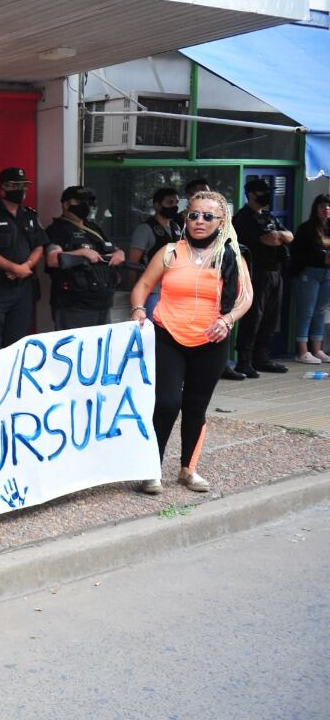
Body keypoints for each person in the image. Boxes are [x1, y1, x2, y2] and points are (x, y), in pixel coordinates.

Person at [130, 191, 252, 495]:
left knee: (196, 406)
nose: (199, 221)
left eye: (208, 216)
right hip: (168, 336)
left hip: (211, 340)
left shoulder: (231, 255)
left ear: (221, 221)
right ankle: (151, 470)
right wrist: (137, 309)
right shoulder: (170, 251)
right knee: (167, 402)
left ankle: (188, 470)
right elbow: (143, 285)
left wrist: (227, 320)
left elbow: (245, 297)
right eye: (194, 215)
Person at [0, 167, 47, 352]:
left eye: (24, 186)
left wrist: (26, 266)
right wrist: (14, 268)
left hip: (23, 289)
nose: (21, 190)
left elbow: (39, 245)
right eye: (16, 186)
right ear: (3, 188)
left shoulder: (30, 215)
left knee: (18, 343)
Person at [232, 177, 293, 376]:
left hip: (275, 272)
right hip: (256, 273)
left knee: (270, 317)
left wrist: (280, 237)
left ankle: (262, 357)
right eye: (262, 192)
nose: (267, 195)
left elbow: (289, 236)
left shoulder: (269, 216)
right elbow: (271, 239)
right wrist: (279, 237)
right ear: (251, 194)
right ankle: (244, 360)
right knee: (253, 317)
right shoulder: (244, 218)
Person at [45, 186, 124, 331]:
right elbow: (52, 259)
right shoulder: (57, 229)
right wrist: (81, 252)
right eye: (81, 201)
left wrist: (120, 254)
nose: (86, 206)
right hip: (75, 306)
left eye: (88, 202)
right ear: (66, 204)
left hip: (102, 302)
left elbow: (113, 249)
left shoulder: (93, 227)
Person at [127, 187, 182, 315]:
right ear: (157, 205)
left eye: (176, 203)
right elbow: (133, 263)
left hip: (174, 289)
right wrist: (134, 290)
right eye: (169, 202)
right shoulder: (145, 229)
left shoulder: (176, 227)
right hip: (153, 291)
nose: (174, 206)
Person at [291, 193, 330, 365]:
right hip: (309, 273)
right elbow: (298, 254)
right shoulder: (306, 228)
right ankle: (302, 351)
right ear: (316, 209)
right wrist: (322, 258)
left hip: (327, 274)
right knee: (306, 312)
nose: (326, 210)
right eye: (322, 207)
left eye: (328, 207)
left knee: (320, 311)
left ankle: (317, 349)